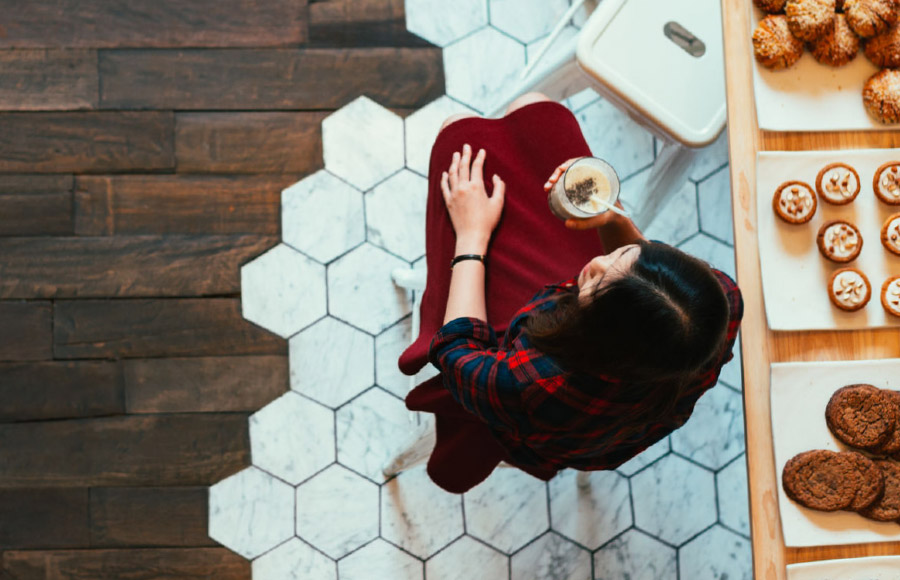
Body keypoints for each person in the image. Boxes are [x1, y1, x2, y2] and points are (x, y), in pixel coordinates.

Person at [398, 93, 743, 494]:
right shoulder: (720, 302)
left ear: (595, 333)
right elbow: (642, 266)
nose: (597, 263)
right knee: (535, 106)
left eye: (598, 284)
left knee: (456, 132)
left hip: (533, 404)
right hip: (603, 388)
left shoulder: (535, 383)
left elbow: (456, 351)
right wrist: (612, 217)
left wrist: (472, 233)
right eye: (627, 256)